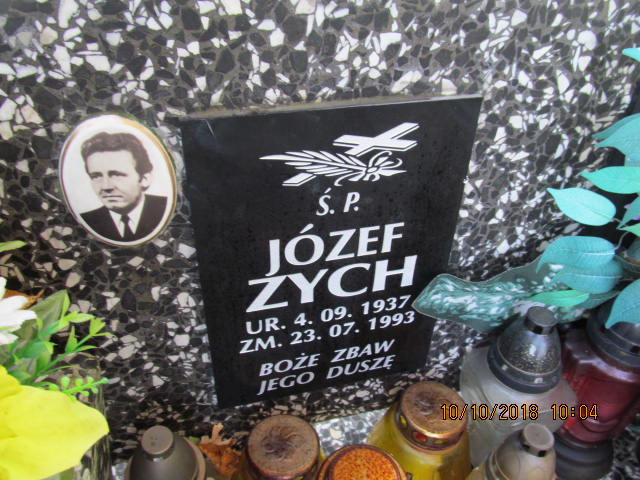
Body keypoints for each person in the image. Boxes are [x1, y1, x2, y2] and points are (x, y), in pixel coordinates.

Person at [80, 132, 167, 242]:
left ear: (145, 179)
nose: (106, 186)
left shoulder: (166, 210)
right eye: (96, 176)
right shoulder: (86, 222)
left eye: (117, 175)